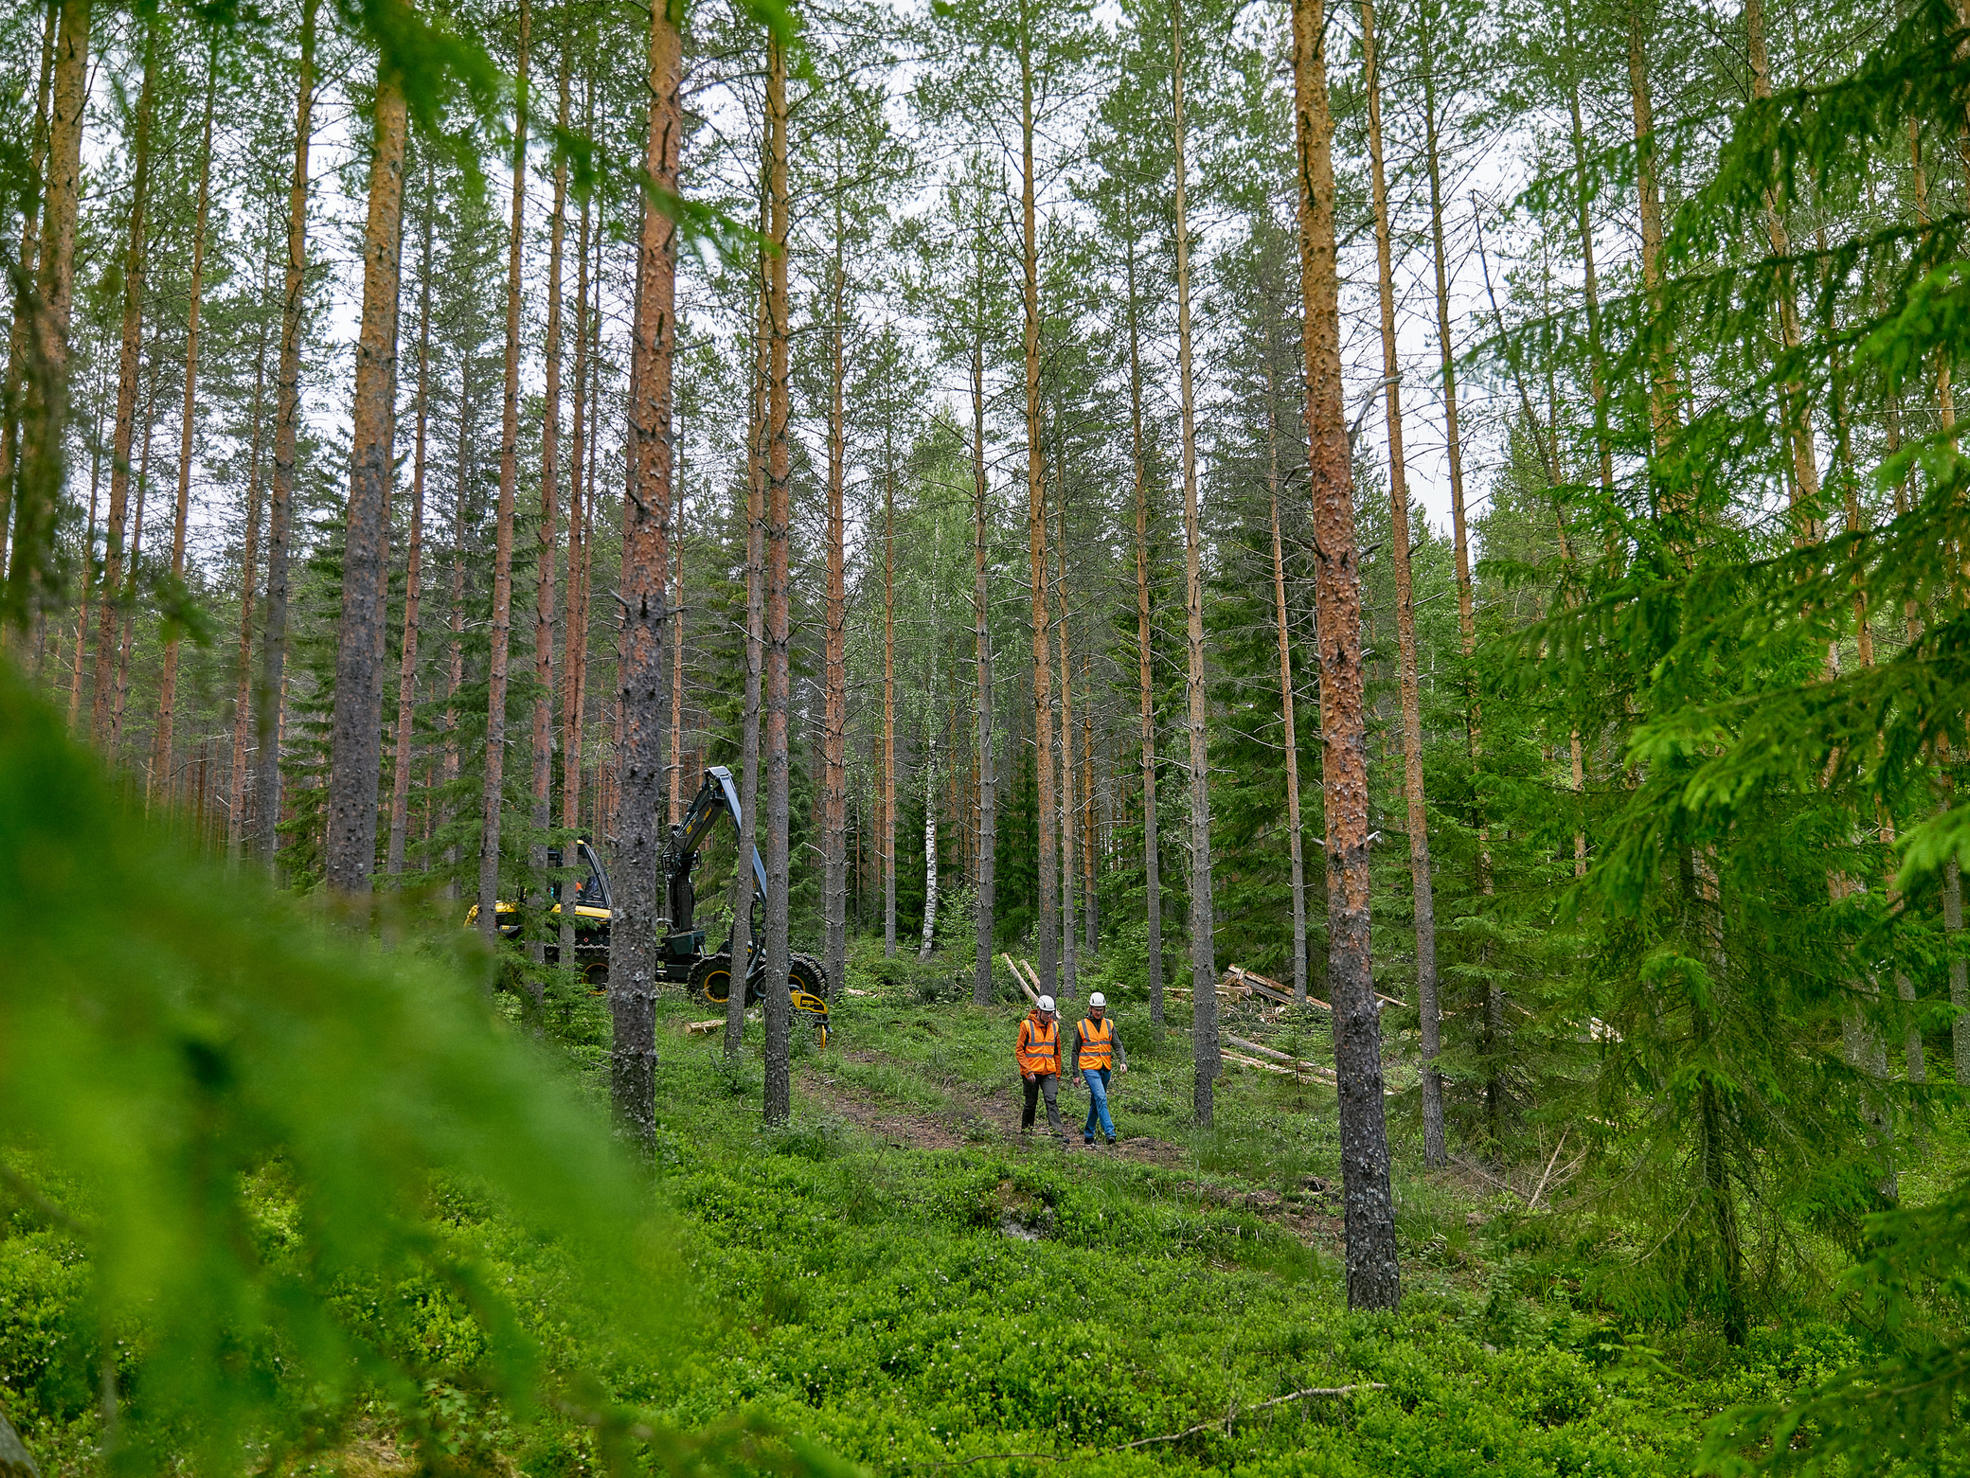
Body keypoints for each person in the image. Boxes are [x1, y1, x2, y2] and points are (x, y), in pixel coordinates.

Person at [1074, 992, 1127, 1146]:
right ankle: (1110, 1132)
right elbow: (1074, 1051)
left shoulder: (1109, 1024)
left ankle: (1089, 1135)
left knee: (1096, 1101)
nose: (1098, 1012)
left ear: (1104, 1009)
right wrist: (1075, 1074)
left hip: (1105, 1068)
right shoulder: (1082, 1025)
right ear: (1090, 1008)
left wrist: (1122, 1061)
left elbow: (1117, 1045)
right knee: (1101, 1097)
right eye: (1095, 1009)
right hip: (1089, 1068)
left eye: (1101, 1009)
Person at [1016, 995, 1066, 1143]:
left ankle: (1057, 1135)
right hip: (1031, 1071)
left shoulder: (1055, 1026)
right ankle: (1026, 1133)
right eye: (1046, 1012)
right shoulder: (1026, 1025)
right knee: (1031, 1103)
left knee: (1052, 1100)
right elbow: (1019, 1051)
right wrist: (1027, 1071)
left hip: (1048, 1071)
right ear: (1038, 1010)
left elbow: (1057, 1052)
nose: (1049, 1016)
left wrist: (1057, 1073)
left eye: (1051, 1013)